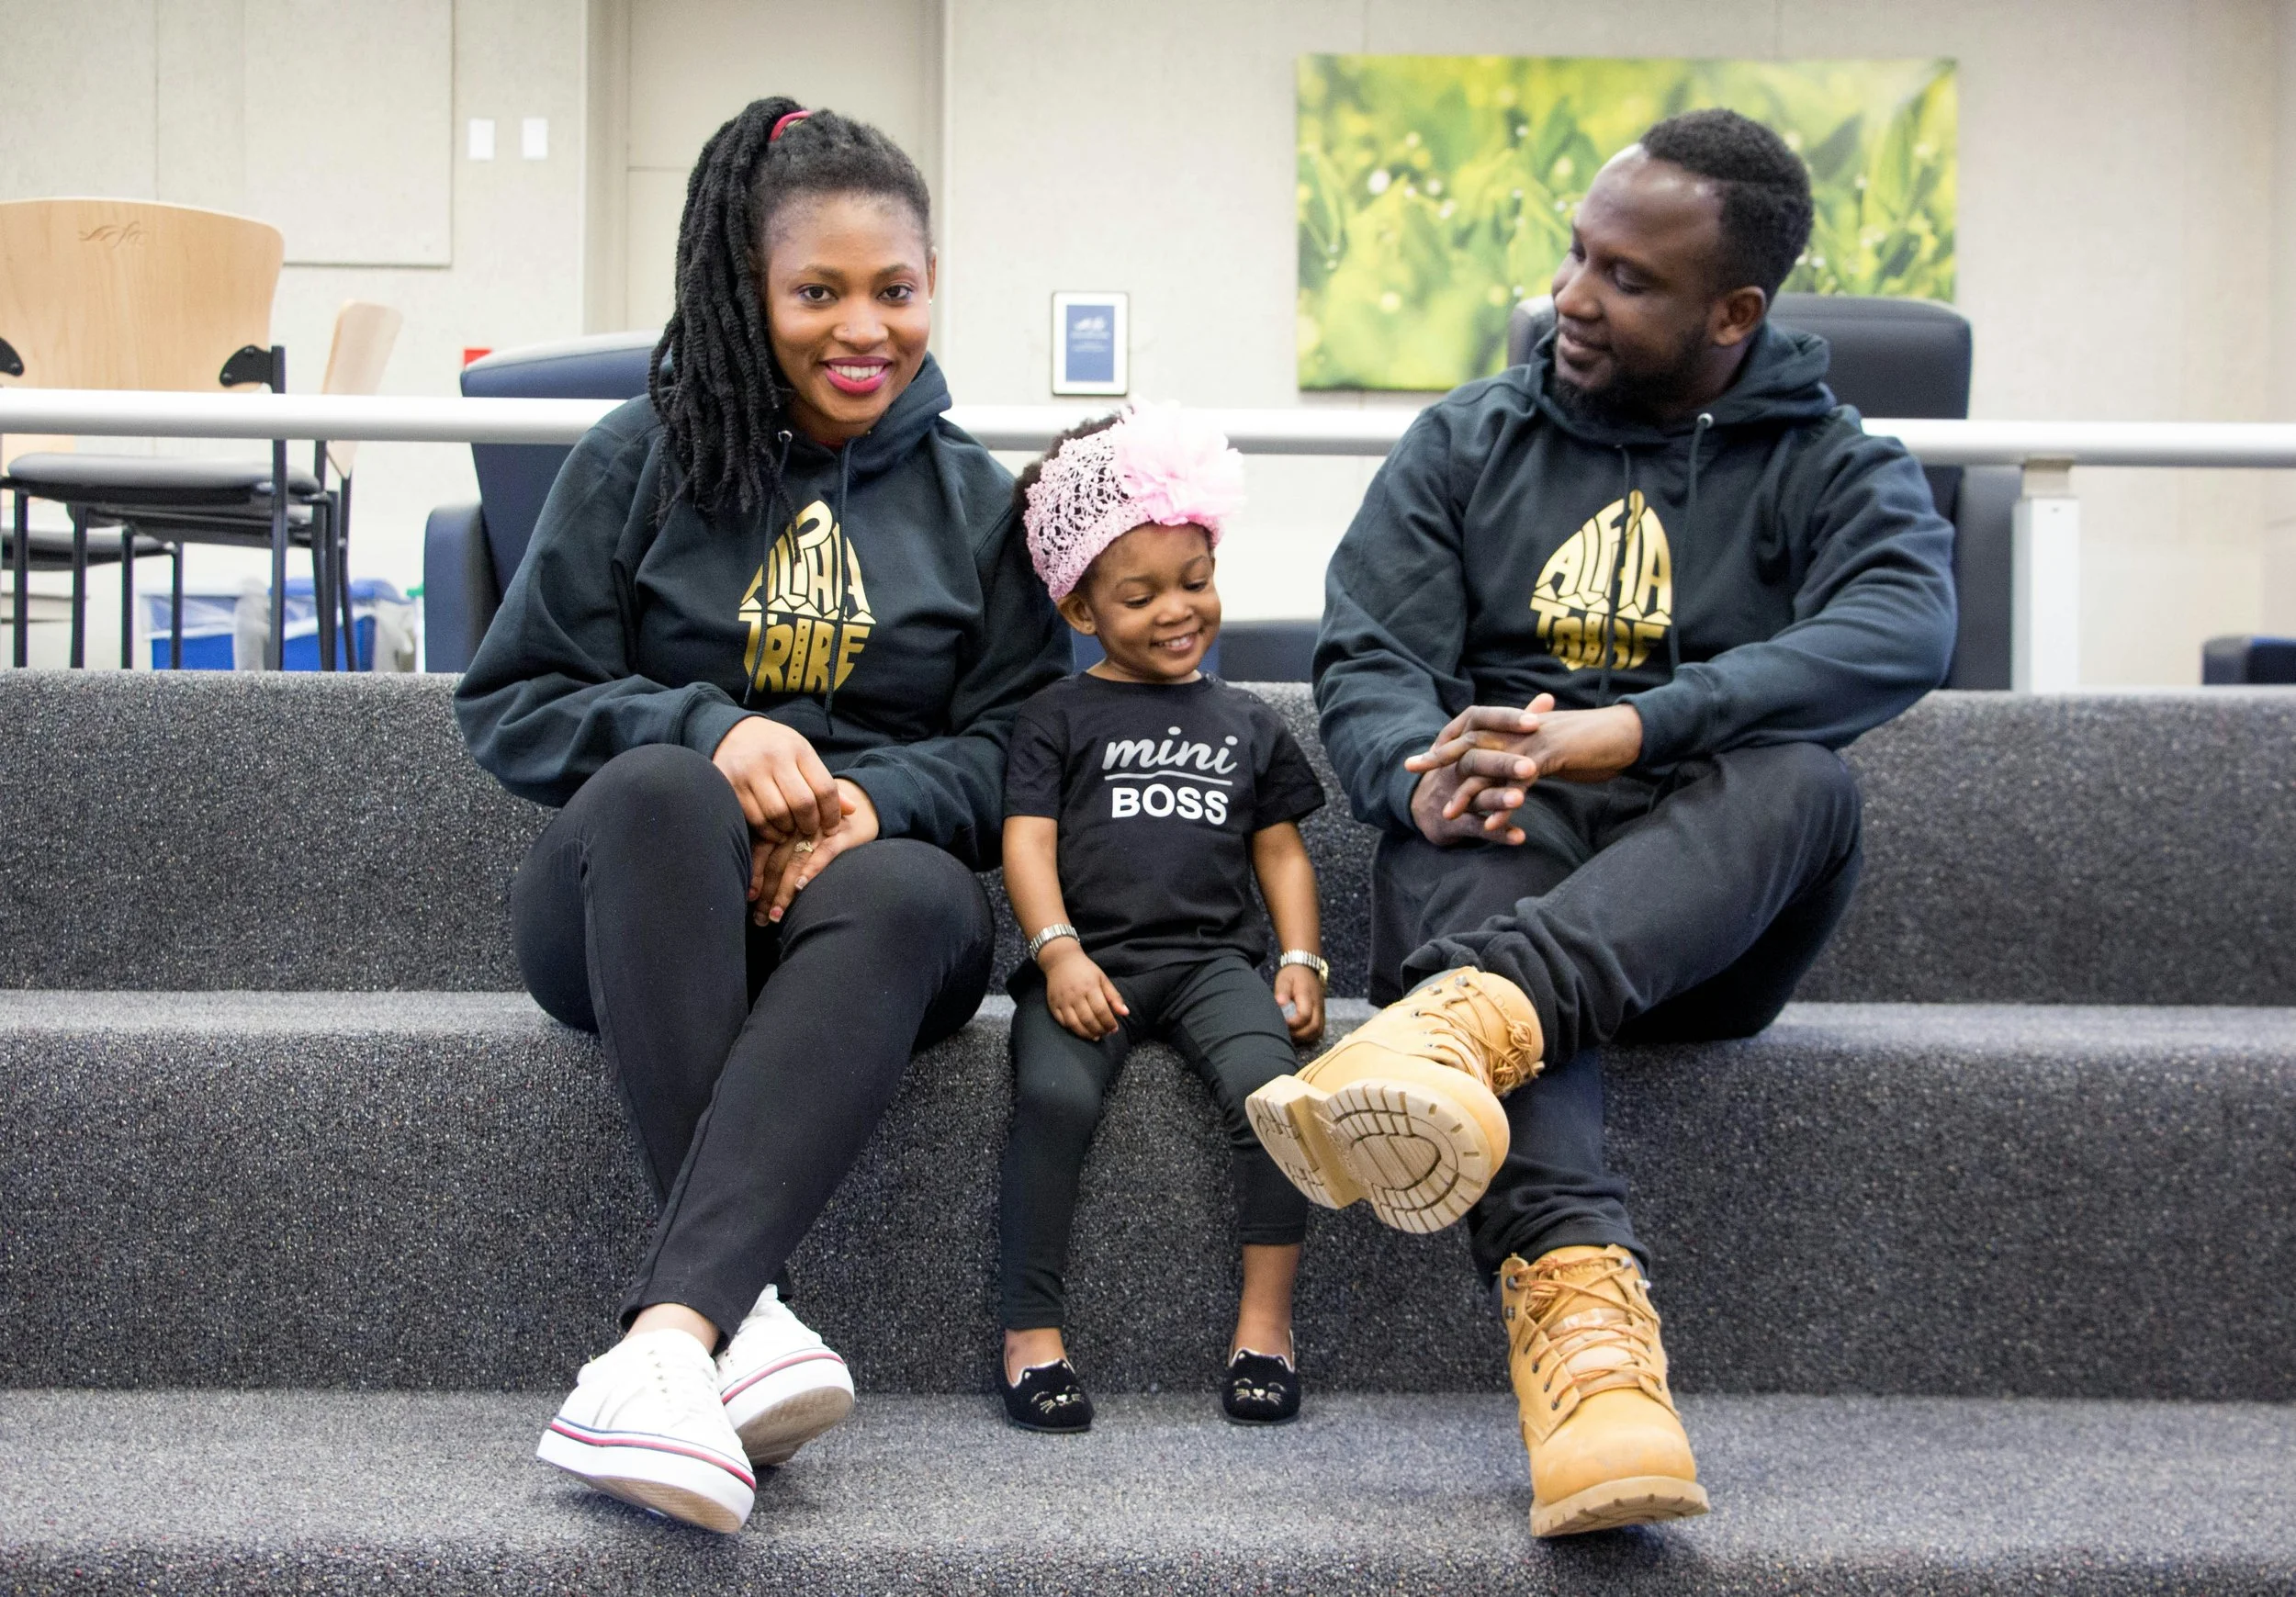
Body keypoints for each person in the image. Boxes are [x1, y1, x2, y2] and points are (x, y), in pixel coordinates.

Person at [1249, 109, 1956, 1536]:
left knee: (1805, 776)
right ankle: (1589, 1347)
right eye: (1578, 256)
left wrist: (1634, 727)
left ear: (1732, 312)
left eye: (1628, 278)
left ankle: (1470, 1010)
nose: (1572, 296)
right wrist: (1412, 766)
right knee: (1450, 831)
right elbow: (1371, 653)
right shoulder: (1468, 439)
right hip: (1513, 854)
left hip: (1709, 926)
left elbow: (1904, 623)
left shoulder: (1831, 461)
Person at [454, 98, 1068, 1535]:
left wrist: (872, 794)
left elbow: (1018, 746)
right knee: (669, 785)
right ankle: (733, 1317)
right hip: (637, 900)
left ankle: (677, 1339)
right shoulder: (640, 456)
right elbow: (515, 699)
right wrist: (710, 729)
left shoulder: (977, 503)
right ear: (749, 291)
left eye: (896, 289)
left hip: (853, 933)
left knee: (924, 890)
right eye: (818, 292)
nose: (865, 328)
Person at [995, 406, 1329, 1432]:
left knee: (1276, 1100)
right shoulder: (1055, 714)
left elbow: (1278, 846)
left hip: (1212, 962)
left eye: (1195, 582)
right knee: (1050, 1097)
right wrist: (1056, 953)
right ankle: (1030, 1336)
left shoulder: (1248, 721)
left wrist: (1302, 956)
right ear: (1083, 608)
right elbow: (1027, 842)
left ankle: (1264, 1334)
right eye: (1138, 595)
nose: (1176, 610)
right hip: (1088, 960)